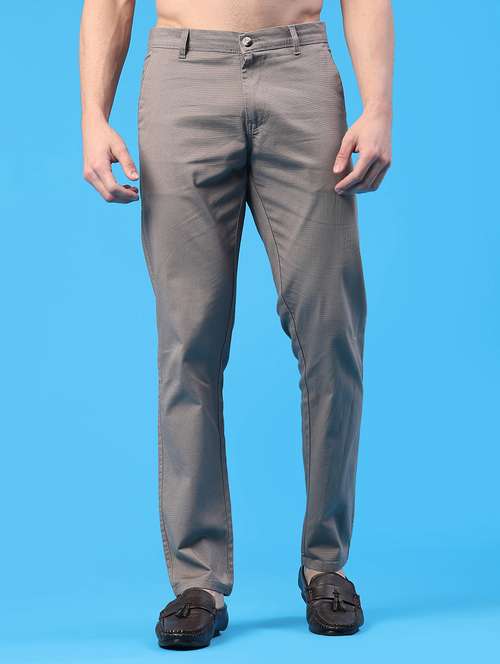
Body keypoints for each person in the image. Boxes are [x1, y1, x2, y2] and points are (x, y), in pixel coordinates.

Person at [80, 0, 393, 649]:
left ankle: (326, 565)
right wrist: (93, 114)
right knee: (187, 342)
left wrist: (379, 107)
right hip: (183, 76)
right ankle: (197, 581)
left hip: (300, 71)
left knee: (331, 331)